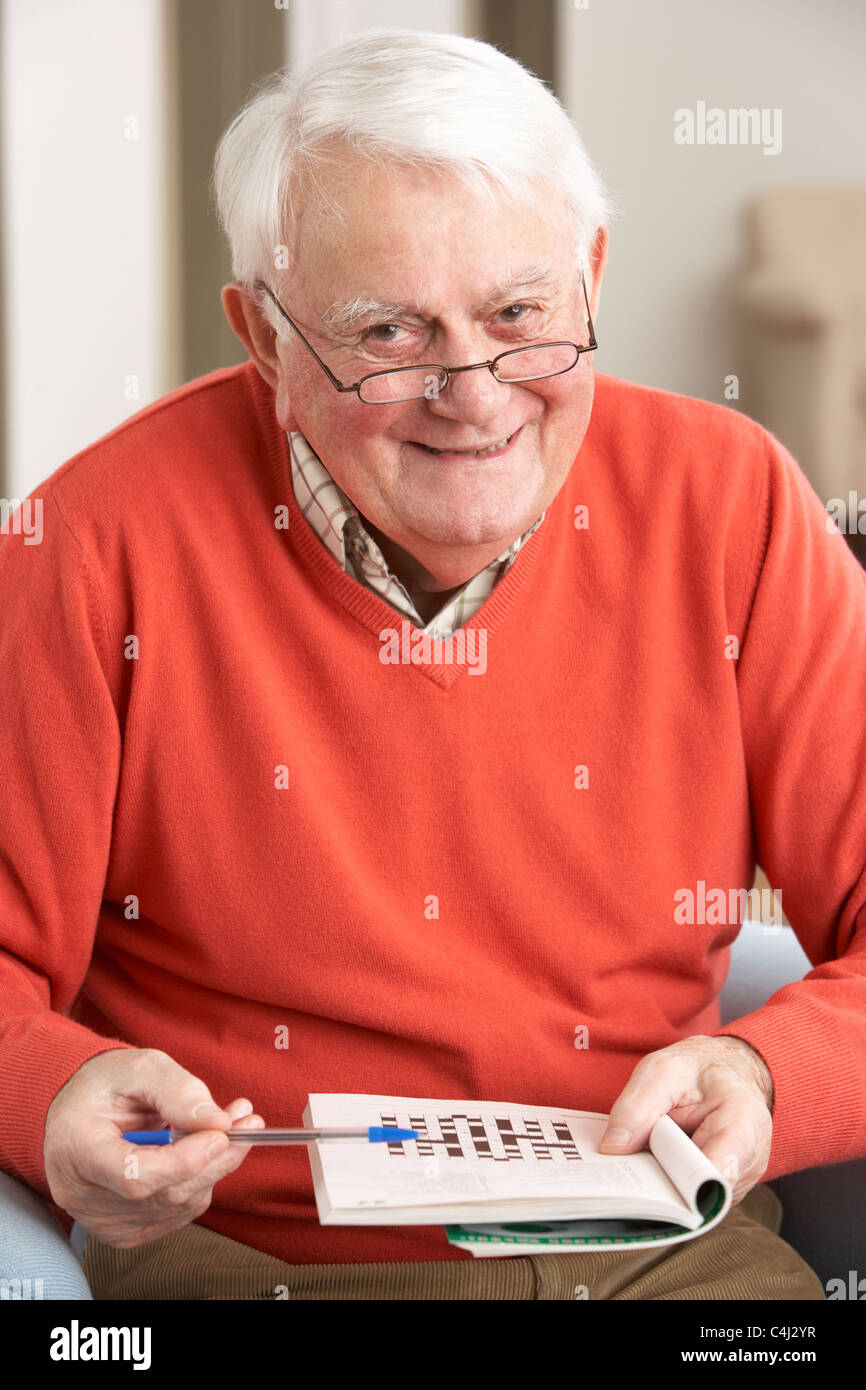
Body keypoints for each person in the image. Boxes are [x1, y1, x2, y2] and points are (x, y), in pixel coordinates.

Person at [1, 28, 862, 1302]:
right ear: (264, 339)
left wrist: (765, 1076)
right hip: (262, 1260)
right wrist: (52, 1092)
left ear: (591, 278)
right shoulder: (88, 541)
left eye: (520, 313)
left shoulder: (731, 504)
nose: (474, 391)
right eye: (389, 334)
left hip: (661, 1255)